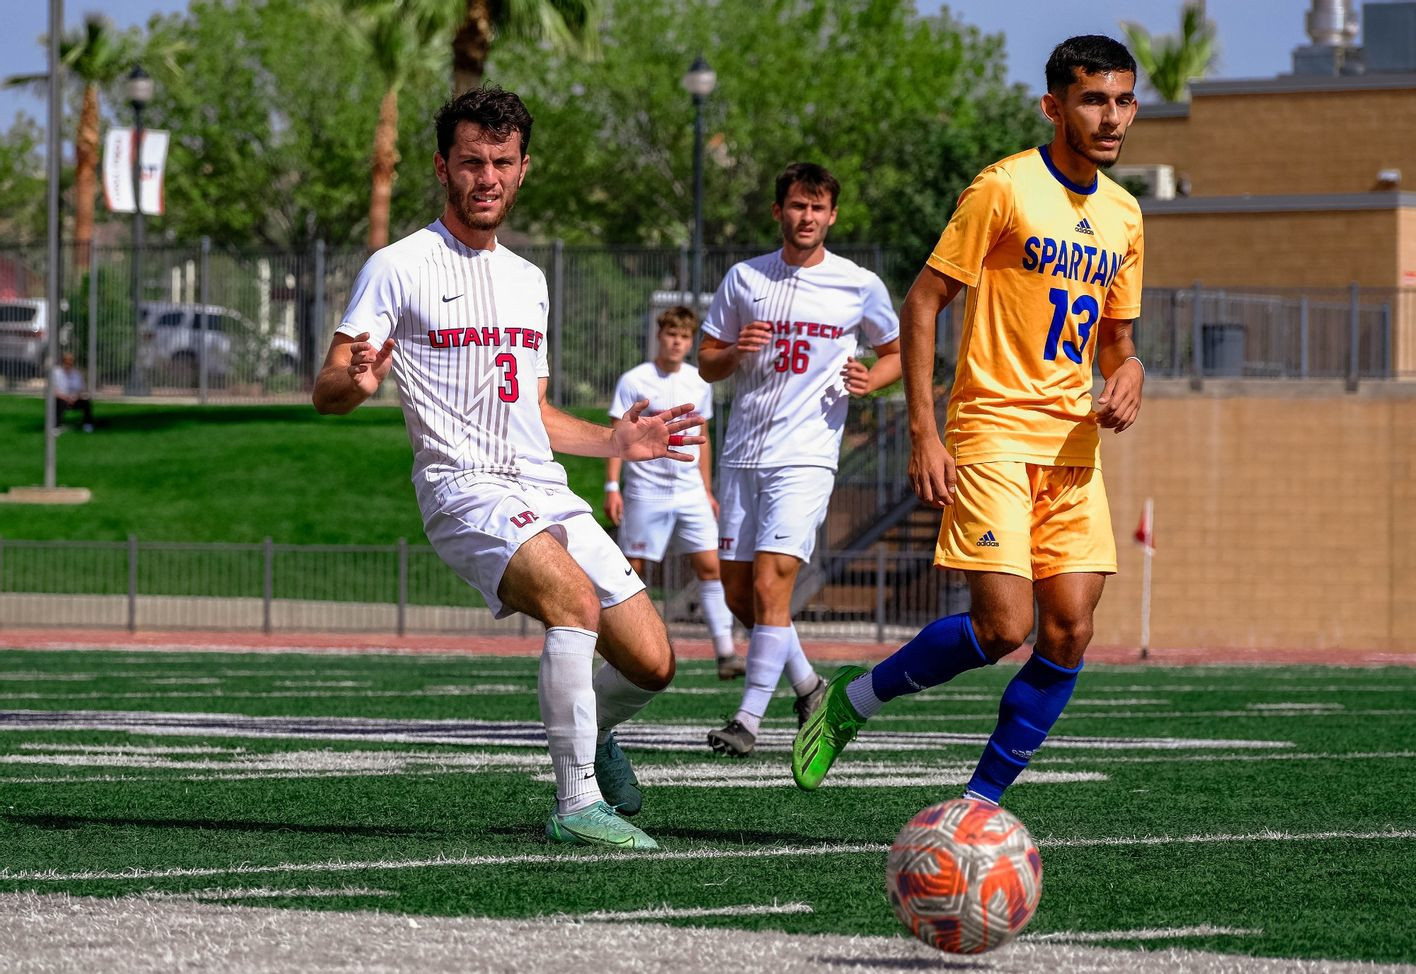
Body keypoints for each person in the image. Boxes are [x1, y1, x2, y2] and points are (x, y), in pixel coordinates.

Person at [312, 86, 704, 850]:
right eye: (469, 162)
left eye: (500, 161)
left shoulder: (530, 280)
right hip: (461, 490)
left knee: (654, 663)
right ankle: (574, 802)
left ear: (523, 169)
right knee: (574, 603)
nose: (484, 177)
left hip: (540, 488)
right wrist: (353, 384)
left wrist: (617, 442)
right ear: (441, 167)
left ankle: (592, 735)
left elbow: (536, 414)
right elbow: (329, 386)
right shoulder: (398, 265)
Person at [793, 35, 1146, 806]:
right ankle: (853, 701)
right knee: (1002, 629)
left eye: (1123, 100)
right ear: (1054, 106)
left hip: (1072, 449)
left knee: (1069, 633)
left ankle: (977, 809)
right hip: (991, 433)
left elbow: (1117, 343)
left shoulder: (1125, 214)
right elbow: (922, 305)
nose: (1111, 116)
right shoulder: (1004, 188)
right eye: (1094, 99)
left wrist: (1132, 374)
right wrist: (924, 431)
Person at [698, 162, 902, 757]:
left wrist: (875, 378)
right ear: (778, 212)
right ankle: (810, 686)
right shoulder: (744, 278)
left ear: (832, 216)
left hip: (808, 454)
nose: (806, 216)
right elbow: (707, 360)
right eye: (796, 206)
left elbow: (894, 353)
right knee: (741, 596)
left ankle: (748, 721)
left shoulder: (857, 283)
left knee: (771, 582)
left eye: (817, 208)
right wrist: (736, 350)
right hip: (741, 454)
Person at [604, 305, 746, 681]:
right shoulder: (635, 379)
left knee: (710, 566)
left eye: (683, 337)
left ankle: (726, 652)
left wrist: (707, 489)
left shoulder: (700, 382)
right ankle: (626, 649)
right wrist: (612, 486)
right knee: (631, 570)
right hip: (646, 491)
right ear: (660, 336)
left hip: (690, 493)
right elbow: (617, 434)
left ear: (690, 342)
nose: (676, 342)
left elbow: (703, 441)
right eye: (670, 334)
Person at [52, 352, 94, 433]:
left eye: (70, 363)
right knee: (58, 402)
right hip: (61, 399)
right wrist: (65, 397)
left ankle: (88, 424)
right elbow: (53, 390)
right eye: (66, 362)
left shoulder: (77, 374)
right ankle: (56, 426)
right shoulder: (56, 373)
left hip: (74, 399)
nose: (68, 365)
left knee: (86, 402)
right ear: (63, 362)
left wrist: (76, 397)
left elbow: (81, 390)